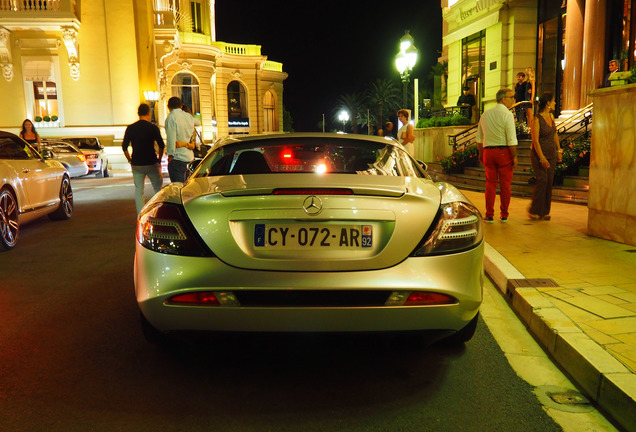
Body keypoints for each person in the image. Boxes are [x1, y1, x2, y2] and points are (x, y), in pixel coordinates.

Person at [476, 88, 518, 223]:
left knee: (490, 184)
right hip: (503, 152)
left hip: (488, 152)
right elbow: (511, 139)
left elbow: (479, 138)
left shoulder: (485, 114)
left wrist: (481, 153)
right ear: (503, 99)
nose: (514, 100)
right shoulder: (507, 115)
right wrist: (515, 156)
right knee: (505, 185)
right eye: (511, 97)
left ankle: (489, 214)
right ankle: (504, 214)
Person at [122, 103, 165, 214]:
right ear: (148, 113)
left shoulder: (130, 128)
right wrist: (159, 159)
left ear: (138, 114)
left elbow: (124, 147)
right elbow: (161, 145)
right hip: (151, 162)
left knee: (139, 191)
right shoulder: (153, 128)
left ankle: (140, 215)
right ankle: (158, 212)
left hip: (137, 163)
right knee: (158, 189)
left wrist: (130, 160)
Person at [528, 92, 562, 221]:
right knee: (542, 181)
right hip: (539, 154)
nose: (554, 103)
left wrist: (559, 150)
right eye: (553, 101)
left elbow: (554, 134)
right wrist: (542, 158)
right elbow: (535, 141)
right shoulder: (537, 119)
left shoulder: (551, 117)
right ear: (548, 103)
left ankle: (545, 211)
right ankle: (535, 210)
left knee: (549, 182)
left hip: (551, 154)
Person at [165, 96, 195, 183]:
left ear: (168, 107)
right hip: (189, 157)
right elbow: (192, 136)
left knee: (178, 188)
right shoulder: (189, 117)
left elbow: (171, 139)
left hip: (177, 158)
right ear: (181, 106)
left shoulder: (171, 118)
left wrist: (170, 155)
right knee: (188, 187)